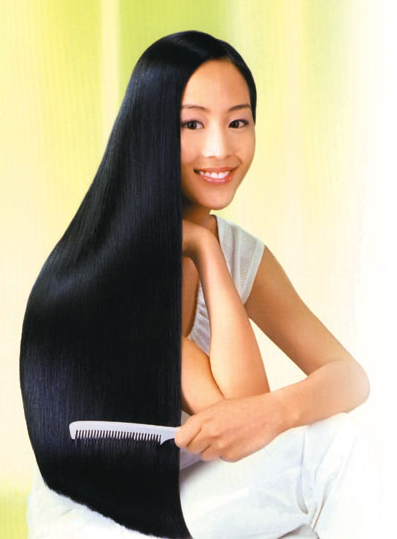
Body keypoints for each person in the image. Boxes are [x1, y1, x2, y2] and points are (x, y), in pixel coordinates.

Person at [22, 31, 380, 537]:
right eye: (192, 123)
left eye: (238, 122)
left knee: (316, 507)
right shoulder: (116, 264)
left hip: (186, 497)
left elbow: (348, 378)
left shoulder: (232, 249)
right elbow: (238, 418)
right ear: (150, 131)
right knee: (332, 454)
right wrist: (269, 416)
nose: (221, 148)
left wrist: (208, 251)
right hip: (101, 518)